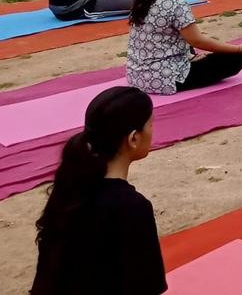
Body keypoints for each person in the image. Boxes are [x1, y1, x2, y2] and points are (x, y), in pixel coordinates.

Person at [30, 86, 166, 295]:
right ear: (133, 138)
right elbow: (147, 286)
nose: (153, 130)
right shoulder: (132, 207)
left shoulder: (69, 187)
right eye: (151, 123)